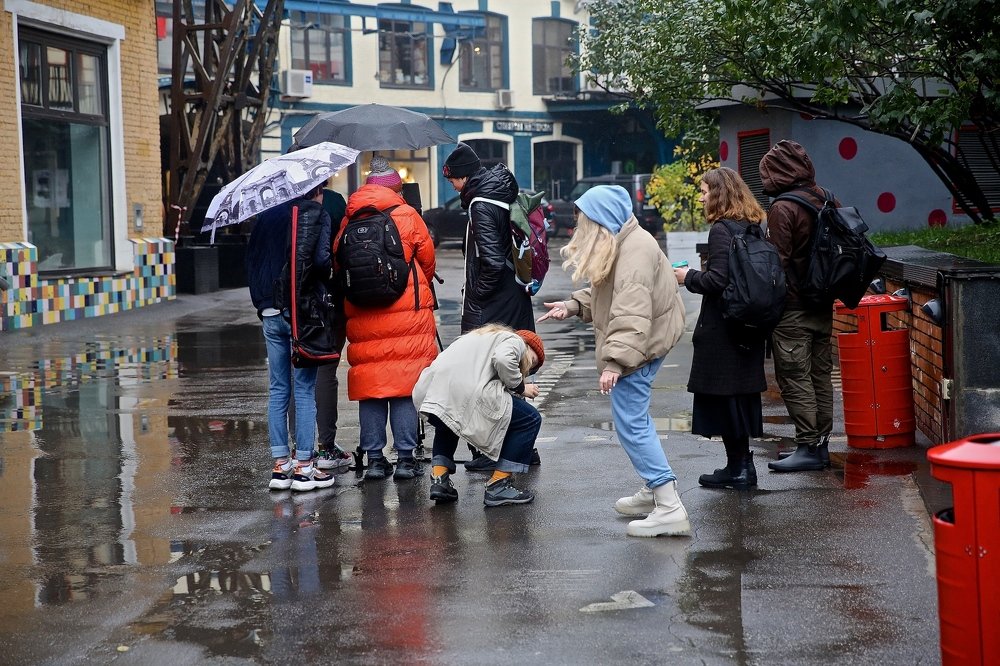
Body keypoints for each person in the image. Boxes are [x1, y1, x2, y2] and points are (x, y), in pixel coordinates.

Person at [537, 185, 689, 538]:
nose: (578, 227)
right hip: (646, 340)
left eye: (583, 220)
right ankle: (655, 490)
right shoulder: (624, 240)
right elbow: (606, 292)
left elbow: (631, 312)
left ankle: (668, 505)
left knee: (631, 423)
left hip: (641, 344)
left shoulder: (634, 251)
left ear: (601, 219)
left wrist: (615, 364)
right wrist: (572, 306)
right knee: (635, 421)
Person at [333, 156, 438, 482]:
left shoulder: (350, 218)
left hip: (363, 314)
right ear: (396, 188)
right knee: (404, 385)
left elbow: (338, 261)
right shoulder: (406, 215)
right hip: (406, 314)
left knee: (371, 386)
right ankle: (405, 459)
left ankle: (376, 460)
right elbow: (428, 260)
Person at [442, 142, 540, 471]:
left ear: (463, 176)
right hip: (513, 295)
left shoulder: (481, 204)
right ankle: (523, 448)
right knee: (509, 368)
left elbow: (493, 263)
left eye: (452, 179)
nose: (452, 186)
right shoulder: (498, 193)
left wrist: (477, 296)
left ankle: (493, 451)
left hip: (494, 302)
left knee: (485, 374)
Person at [673, 167, 767, 489]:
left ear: (719, 193)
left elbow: (718, 280)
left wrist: (687, 277)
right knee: (739, 399)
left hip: (724, 329)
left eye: (704, 191)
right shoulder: (752, 226)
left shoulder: (721, 230)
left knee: (726, 399)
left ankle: (738, 468)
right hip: (748, 325)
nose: (701, 198)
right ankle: (742, 466)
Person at [246, 183, 336, 492]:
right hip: (300, 312)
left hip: (270, 310)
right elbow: (321, 263)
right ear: (315, 190)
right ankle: (304, 467)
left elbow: (252, 262)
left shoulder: (266, 218)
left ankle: (280, 465)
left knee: (278, 388)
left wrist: (262, 303)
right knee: (304, 389)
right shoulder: (313, 214)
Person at [759, 140, 834, 472]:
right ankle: (821, 445)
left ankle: (807, 446)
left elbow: (777, 263)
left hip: (793, 308)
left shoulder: (783, 208)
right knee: (820, 377)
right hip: (823, 303)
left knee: (794, 377)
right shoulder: (826, 198)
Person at [412, 325, 544, 507]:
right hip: (461, 392)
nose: (528, 366)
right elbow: (503, 359)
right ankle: (499, 485)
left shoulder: (478, 336)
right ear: (528, 345)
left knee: (449, 423)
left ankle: (440, 480)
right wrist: (520, 387)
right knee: (530, 418)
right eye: (532, 360)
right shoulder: (516, 341)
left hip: (430, 392)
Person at [314, 188, 352, 473]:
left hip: (293, 301)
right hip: (333, 298)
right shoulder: (335, 202)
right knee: (326, 370)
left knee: (296, 375)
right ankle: (326, 445)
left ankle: (297, 447)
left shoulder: (281, 204)